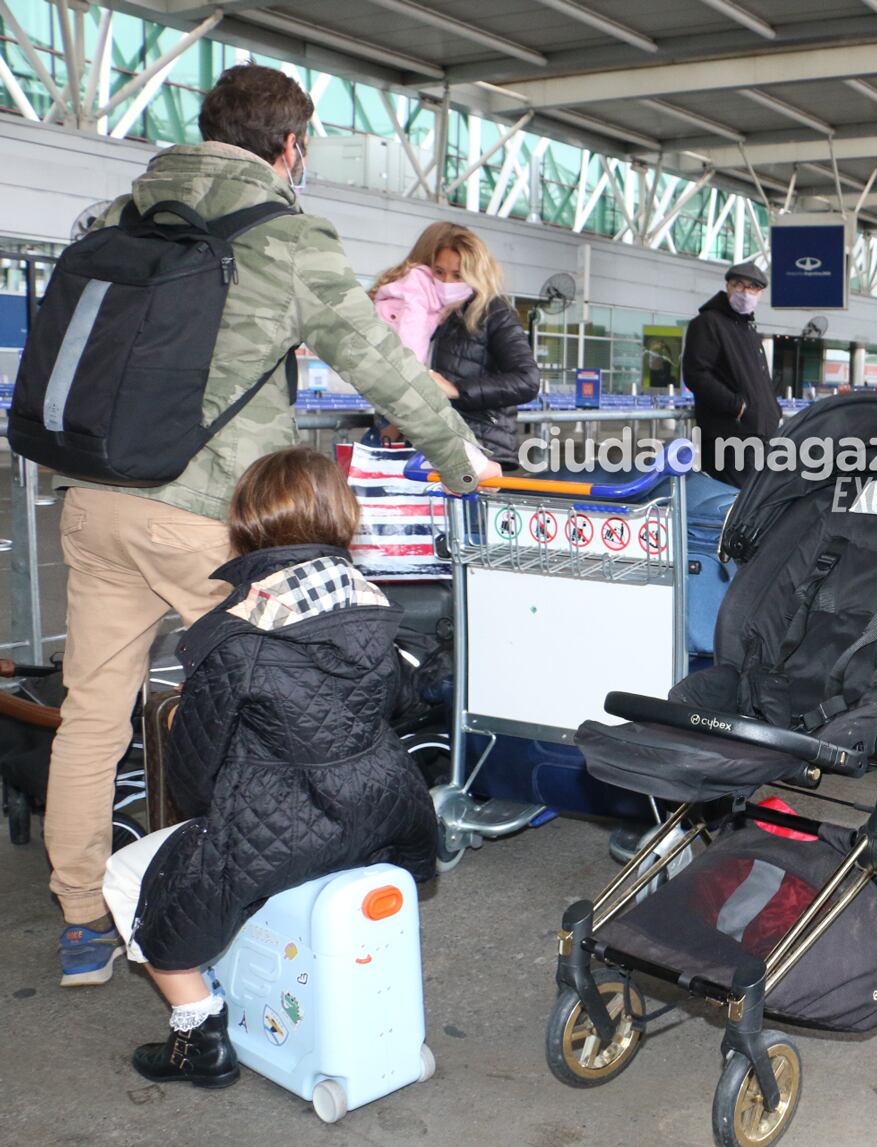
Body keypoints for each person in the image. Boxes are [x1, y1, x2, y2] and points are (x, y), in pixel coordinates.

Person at [44, 64, 496, 990]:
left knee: (92, 716)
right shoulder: (287, 237)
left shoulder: (121, 218)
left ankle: (83, 918)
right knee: (307, 703)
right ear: (291, 147)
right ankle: (273, 895)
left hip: (94, 499)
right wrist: (463, 459)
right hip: (212, 518)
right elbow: (380, 364)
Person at [101, 447, 438, 1087]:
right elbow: (402, 705)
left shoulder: (235, 635)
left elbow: (194, 778)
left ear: (246, 523)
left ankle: (198, 1034)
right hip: (387, 812)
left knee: (125, 875)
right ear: (341, 516)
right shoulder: (374, 609)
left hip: (286, 827)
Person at [371, 223, 539, 468]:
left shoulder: (493, 311)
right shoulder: (426, 311)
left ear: (476, 273)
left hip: (480, 448)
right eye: (439, 272)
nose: (447, 282)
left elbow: (527, 380)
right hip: (427, 450)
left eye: (458, 275)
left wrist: (458, 390)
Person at [683, 261, 781, 487]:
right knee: (733, 507)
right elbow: (696, 374)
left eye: (752, 288)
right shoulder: (708, 323)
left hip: (759, 435)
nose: (745, 292)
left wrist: (772, 411)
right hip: (729, 439)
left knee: (755, 506)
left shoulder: (747, 328)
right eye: (739, 285)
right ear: (728, 286)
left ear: (760, 293)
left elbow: (759, 381)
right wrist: (737, 406)